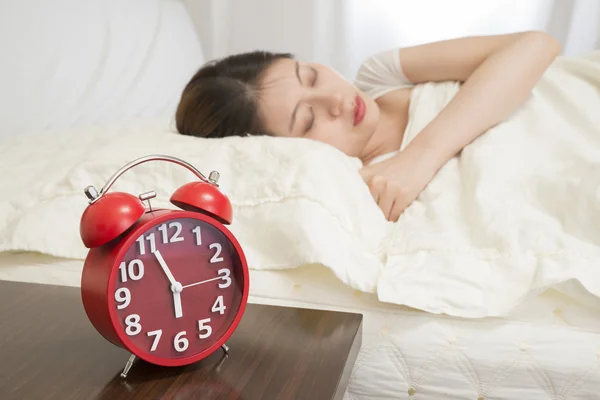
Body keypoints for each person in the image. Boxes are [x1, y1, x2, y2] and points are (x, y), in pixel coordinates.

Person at [175, 31, 561, 222]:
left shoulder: (380, 75)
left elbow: (538, 45)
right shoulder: (365, 191)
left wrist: (420, 157)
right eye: (307, 120)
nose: (337, 100)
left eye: (310, 76)